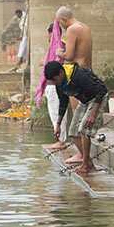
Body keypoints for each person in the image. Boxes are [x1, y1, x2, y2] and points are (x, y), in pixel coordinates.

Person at [43, 60, 109, 174]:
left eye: (55, 79)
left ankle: (85, 165)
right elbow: (63, 102)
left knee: (84, 129)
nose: (54, 83)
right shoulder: (59, 84)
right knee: (73, 131)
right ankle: (88, 163)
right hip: (85, 101)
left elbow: (100, 91)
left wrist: (92, 115)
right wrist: (57, 125)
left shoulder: (78, 75)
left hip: (98, 98)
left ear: (61, 73)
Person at [54, 6, 93, 164]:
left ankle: (83, 156)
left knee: (78, 116)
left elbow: (69, 56)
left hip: (76, 76)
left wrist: (58, 52)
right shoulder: (85, 27)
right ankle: (84, 155)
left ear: (63, 19)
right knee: (83, 116)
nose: (61, 27)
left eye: (59, 23)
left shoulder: (71, 29)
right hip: (88, 72)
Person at [42, 23, 69, 151]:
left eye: (48, 33)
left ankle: (61, 141)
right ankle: (60, 139)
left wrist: (45, 63)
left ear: (52, 34)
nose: (47, 36)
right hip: (54, 85)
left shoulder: (60, 45)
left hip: (55, 85)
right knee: (56, 113)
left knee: (56, 112)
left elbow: (60, 63)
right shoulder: (59, 45)